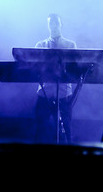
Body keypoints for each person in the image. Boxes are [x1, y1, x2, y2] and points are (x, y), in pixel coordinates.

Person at [33, 13, 78, 143]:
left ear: (61, 25)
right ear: (48, 26)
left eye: (56, 23)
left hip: (64, 93)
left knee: (67, 128)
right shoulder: (41, 45)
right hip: (44, 92)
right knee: (40, 128)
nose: (53, 26)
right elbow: (34, 66)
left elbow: (74, 69)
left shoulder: (70, 45)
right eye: (50, 23)